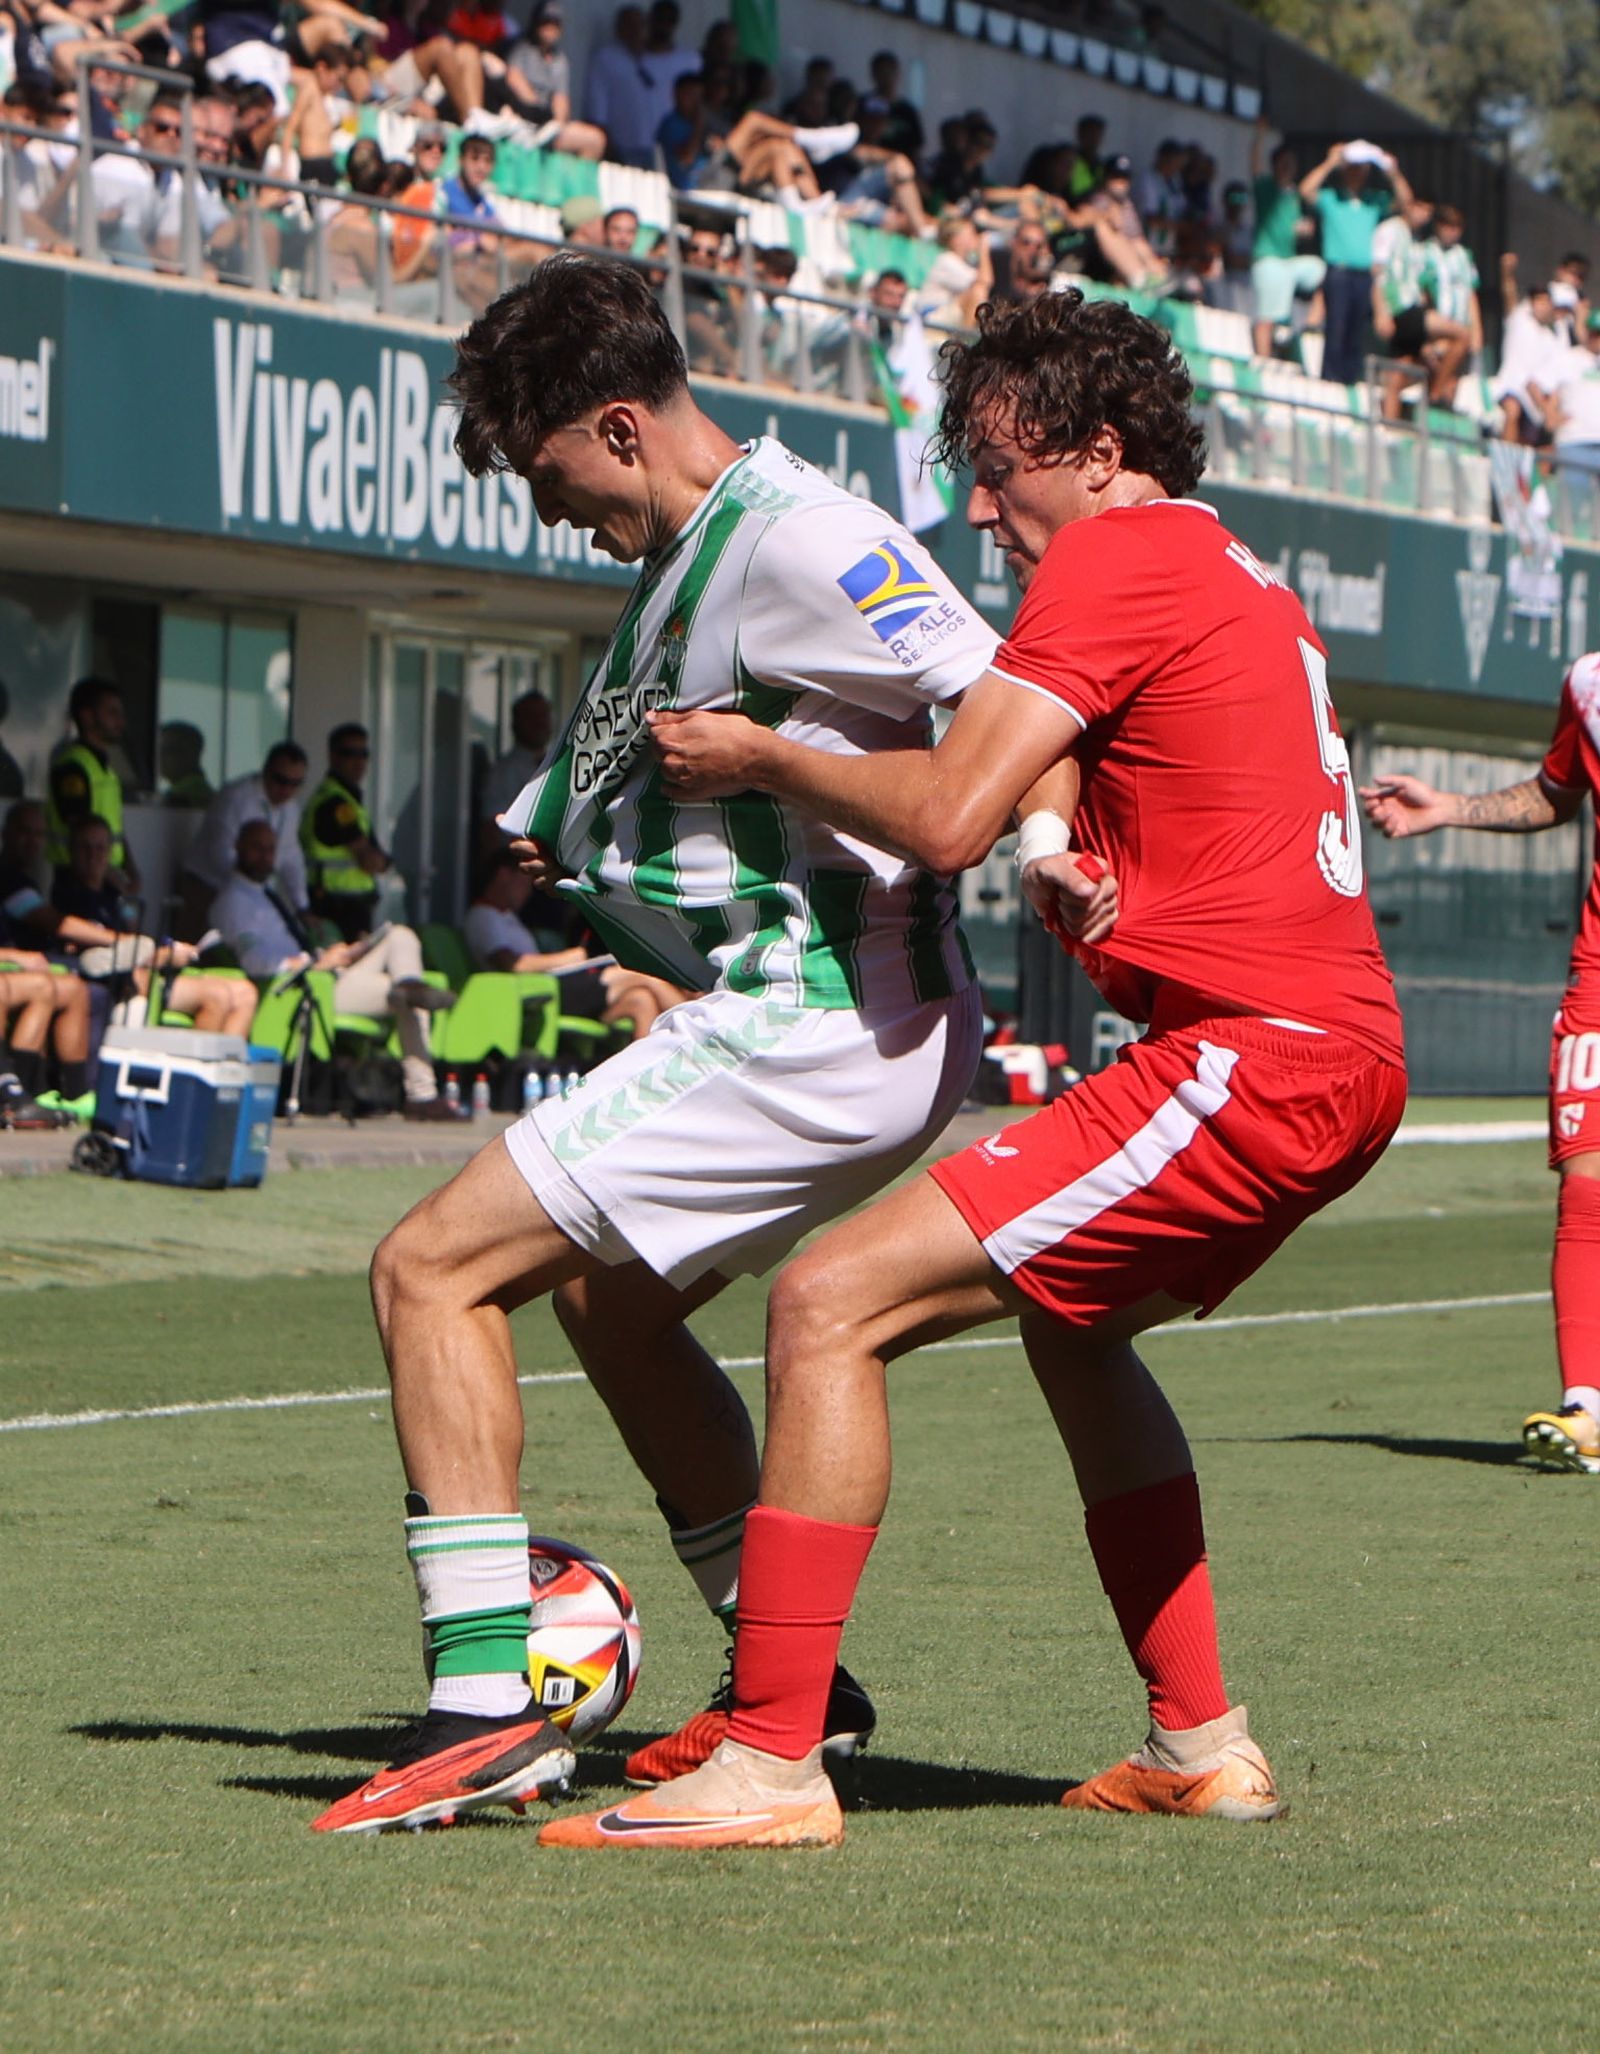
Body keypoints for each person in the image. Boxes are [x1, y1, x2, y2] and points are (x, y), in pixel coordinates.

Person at [550, 287, 1408, 1850]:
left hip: (1255, 1053)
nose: (980, 508)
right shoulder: (1225, 566)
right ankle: (1201, 1738)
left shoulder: (1111, 554)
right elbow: (1083, 762)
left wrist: (767, 756)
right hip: (1314, 1047)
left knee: (828, 1297)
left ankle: (777, 1753)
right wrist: (1065, 849)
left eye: (1003, 470)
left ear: (1096, 452)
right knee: (1078, 1340)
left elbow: (942, 809)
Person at [309, 251, 1004, 1836]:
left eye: (554, 477)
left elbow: (999, 709)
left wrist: (1067, 859)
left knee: (428, 1268)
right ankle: (791, 1681)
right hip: (817, 1010)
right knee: (603, 1303)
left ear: (621, 426)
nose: (554, 515)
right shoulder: (700, 546)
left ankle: (485, 1704)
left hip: (829, 1012)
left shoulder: (810, 536)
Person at [1361, 662, 1600, 1472]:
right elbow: (1556, 792)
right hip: (1599, 980)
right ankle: (1588, 1409)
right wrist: (1452, 809)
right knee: (1586, 1178)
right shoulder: (1591, 683)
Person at [212, 817, 466, 1119]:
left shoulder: (266, 893)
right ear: (237, 847)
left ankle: (410, 983)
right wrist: (316, 963)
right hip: (302, 988)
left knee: (399, 935)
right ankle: (422, 1094)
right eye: (257, 848)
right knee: (403, 998)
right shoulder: (232, 902)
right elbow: (257, 963)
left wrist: (338, 954)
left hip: (325, 974)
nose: (265, 856)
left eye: (270, 849)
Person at [55, 815, 258, 1036]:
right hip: (122, 982)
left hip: (150, 970)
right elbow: (110, 956)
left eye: (100, 848)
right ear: (72, 851)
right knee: (218, 996)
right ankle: (192, 1068)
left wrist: (168, 950)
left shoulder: (115, 895)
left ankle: (229, 1067)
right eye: (85, 847)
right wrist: (164, 956)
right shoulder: (68, 895)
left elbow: (135, 929)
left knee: (245, 992)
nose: (93, 856)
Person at [464, 847, 683, 1038]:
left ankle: (644, 1078)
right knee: (641, 975)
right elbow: (513, 965)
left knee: (641, 1000)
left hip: (553, 989)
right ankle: (701, 1036)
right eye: (523, 882)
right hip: (541, 996)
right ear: (503, 875)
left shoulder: (507, 918)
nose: (528, 891)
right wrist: (574, 957)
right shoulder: (484, 915)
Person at [1300, 142, 1415, 386]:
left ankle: (1348, 381)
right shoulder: (1331, 198)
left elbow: (1406, 204)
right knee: (1337, 329)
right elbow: (1306, 190)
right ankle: (1330, 380)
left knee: (1355, 333)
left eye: (1361, 169)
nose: (1357, 173)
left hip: (1364, 275)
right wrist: (1330, 162)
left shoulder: (1373, 201)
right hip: (1339, 272)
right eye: (1352, 168)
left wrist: (1392, 172)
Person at [179, 740, 310, 936]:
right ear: (266, 771)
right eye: (281, 780)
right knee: (200, 953)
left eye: (296, 784)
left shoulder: (291, 808)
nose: (287, 790)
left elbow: (290, 857)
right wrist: (251, 890)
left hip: (251, 892)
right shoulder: (236, 798)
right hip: (208, 886)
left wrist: (302, 907)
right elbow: (221, 854)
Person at [45, 675, 139, 891]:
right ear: (87, 717)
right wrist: (113, 876)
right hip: (78, 880)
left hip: (105, 877)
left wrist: (129, 867)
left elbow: (113, 828)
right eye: (112, 713)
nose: (120, 722)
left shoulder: (104, 769)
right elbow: (80, 828)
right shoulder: (73, 765)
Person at [300, 722, 391, 939]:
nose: (358, 761)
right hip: (336, 907)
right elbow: (370, 860)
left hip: (348, 905)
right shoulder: (336, 804)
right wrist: (381, 861)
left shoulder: (348, 800)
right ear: (332, 756)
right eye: (349, 753)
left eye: (363, 754)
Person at [1249, 127, 1323, 360]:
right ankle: (1263, 360)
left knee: (1326, 273)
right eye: (1283, 162)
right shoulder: (1265, 187)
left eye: (1291, 162)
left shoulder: (1295, 196)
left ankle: (1311, 322)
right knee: (1267, 318)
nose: (1288, 167)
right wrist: (1259, 134)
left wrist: (1304, 229)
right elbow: (1254, 163)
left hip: (1289, 261)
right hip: (1268, 260)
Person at [1418, 204, 1481, 410]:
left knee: (1453, 382)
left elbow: (1470, 294)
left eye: (1456, 227)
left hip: (1461, 323)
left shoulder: (1464, 256)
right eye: (1447, 226)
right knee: (1435, 371)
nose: (1452, 232)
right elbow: (1422, 292)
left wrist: (1477, 330)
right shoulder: (1426, 252)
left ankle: (1441, 407)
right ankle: (1433, 400)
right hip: (1440, 324)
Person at [582, 3, 656, 168]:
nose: (637, 31)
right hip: (621, 149)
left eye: (641, 25)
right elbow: (596, 109)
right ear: (619, 28)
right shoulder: (606, 58)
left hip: (650, 147)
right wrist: (608, 145)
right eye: (631, 26)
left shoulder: (650, 58)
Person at [1548, 310, 1600, 478]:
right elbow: (1537, 385)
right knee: (1574, 499)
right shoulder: (1569, 358)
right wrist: (1550, 414)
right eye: (1595, 334)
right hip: (1574, 440)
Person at [158, 721, 215, 810]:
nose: (160, 758)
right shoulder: (209, 794)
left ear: (192, 753)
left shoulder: (180, 797)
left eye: (169, 750)